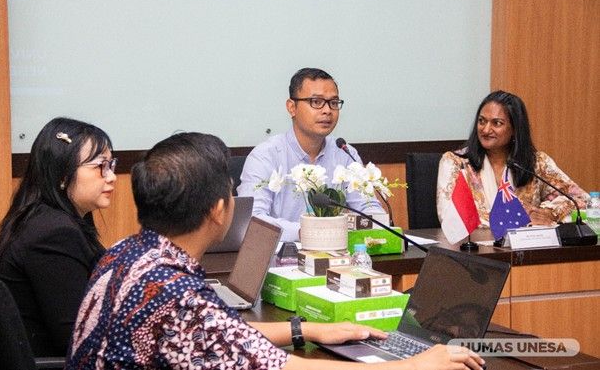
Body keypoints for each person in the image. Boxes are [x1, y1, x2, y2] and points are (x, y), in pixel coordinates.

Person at [66, 132, 484, 370]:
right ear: (218, 209)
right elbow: (282, 367)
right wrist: (410, 366)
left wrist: (307, 330)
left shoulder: (128, 254)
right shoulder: (178, 296)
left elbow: (223, 334)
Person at [0, 117, 117, 356]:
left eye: (111, 165)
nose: (111, 176)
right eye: (101, 166)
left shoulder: (49, 219)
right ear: (62, 173)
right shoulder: (53, 233)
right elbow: (76, 338)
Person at [237, 68, 383, 241]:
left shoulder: (345, 153)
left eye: (333, 103)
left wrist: (379, 226)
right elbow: (253, 220)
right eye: (316, 102)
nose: (327, 110)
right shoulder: (265, 156)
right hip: (284, 255)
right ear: (292, 107)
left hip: (336, 252)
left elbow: (369, 208)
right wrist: (306, 231)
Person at [437, 90, 589, 229]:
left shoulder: (536, 162)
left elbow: (582, 199)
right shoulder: (456, 162)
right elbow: (451, 217)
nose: (486, 129)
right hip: (475, 247)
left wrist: (549, 213)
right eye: (482, 121)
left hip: (527, 247)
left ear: (515, 129)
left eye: (497, 123)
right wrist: (522, 219)